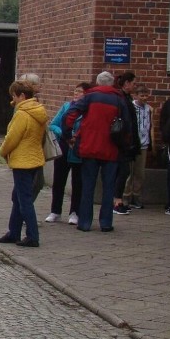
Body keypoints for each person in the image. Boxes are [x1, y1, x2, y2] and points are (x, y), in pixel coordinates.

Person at [64, 71, 134, 233]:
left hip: (90, 147)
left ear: (97, 82)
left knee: (88, 186)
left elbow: (71, 114)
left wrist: (68, 134)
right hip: (111, 149)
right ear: (111, 84)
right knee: (109, 187)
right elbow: (128, 125)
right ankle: (106, 222)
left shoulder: (89, 97)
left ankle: (85, 222)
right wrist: (125, 145)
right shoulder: (119, 99)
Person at [0, 80, 47, 247]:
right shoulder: (38, 110)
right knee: (18, 197)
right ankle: (14, 231)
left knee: (24, 199)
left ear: (22, 96)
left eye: (14, 96)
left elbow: (12, 137)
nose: (13, 100)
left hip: (23, 161)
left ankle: (32, 236)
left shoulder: (22, 113)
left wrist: (3, 151)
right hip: (34, 158)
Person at [45, 82, 90, 225]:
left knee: (78, 182)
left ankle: (74, 212)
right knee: (59, 180)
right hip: (64, 147)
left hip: (79, 149)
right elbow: (53, 124)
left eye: (80, 92)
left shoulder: (88, 110)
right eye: (75, 91)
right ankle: (55, 211)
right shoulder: (66, 107)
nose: (76, 94)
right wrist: (63, 134)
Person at [112, 71, 140, 215]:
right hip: (122, 141)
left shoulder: (126, 98)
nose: (135, 86)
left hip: (126, 140)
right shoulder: (121, 98)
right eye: (134, 83)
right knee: (122, 171)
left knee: (124, 171)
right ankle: (117, 201)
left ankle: (117, 199)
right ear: (127, 83)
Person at [124, 84, 154, 209]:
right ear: (136, 96)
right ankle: (126, 196)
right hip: (132, 144)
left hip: (144, 144)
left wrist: (152, 142)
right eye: (142, 95)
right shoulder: (131, 107)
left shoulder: (149, 109)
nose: (144, 98)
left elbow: (151, 126)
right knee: (129, 172)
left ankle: (136, 196)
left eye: (146, 95)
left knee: (140, 173)